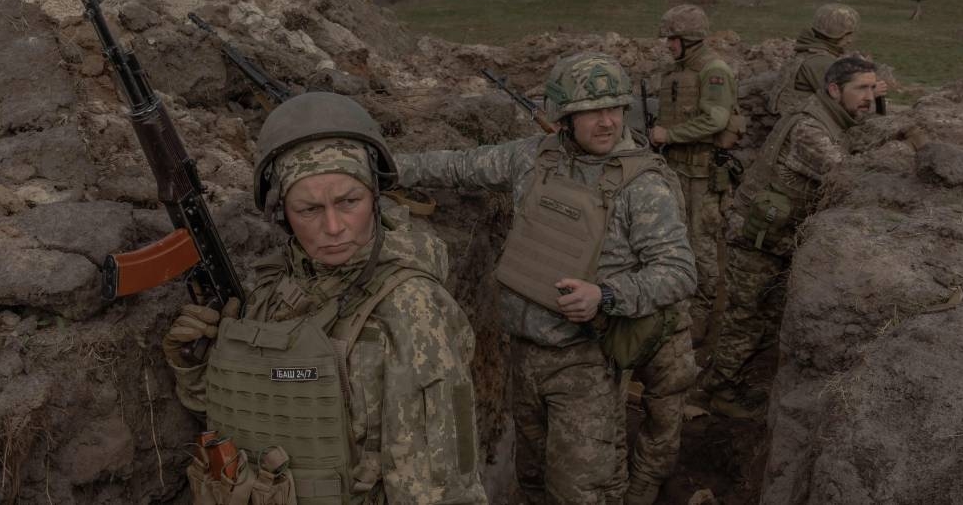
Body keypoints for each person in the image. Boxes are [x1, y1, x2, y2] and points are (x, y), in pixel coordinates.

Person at [395, 52, 697, 505]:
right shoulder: (533, 158)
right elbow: (458, 166)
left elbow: (678, 271)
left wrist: (607, 295)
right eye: (592, 111)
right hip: (523, 356)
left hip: (586, 362)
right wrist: (378, 164)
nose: (607, 122)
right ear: (565, 117)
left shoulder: (643, 184)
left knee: (585, 493)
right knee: (532, 479)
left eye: (615, 108)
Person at [163, 92, 487, 505]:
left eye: (349, 202)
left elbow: (439, 488)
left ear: (374, 196)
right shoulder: (269, 289)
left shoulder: (411, 308)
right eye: (309, 209)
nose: (333, 227)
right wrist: (195, 362)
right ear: (282, 212)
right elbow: (244, 417)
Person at [702, 56, 880, 418]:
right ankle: (722, 391)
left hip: (774, 237)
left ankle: (731, 381)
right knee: (748, 317)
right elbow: (850, 178)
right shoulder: (810, 130)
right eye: (861, 88)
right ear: (834, 89)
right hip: (758, 239)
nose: (870, 96)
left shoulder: (829, 115)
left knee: (763, 317)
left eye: (873, 88)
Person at [649, 4, 745, 352]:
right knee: (675, 241)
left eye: (673, 39)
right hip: (677, 169)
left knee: (702, 247)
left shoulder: (713, 70)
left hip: (702, 175)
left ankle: (701, 324)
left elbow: (716, 121)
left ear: (688, 39)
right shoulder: (678, 70)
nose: (668, 45)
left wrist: (668, 136)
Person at [769, 3, 864, 116]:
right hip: (801, 122)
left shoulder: (807, 50)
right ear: (835, 35)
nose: (850, 41)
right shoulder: (820, 61)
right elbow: (841, 103)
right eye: (847, 35)